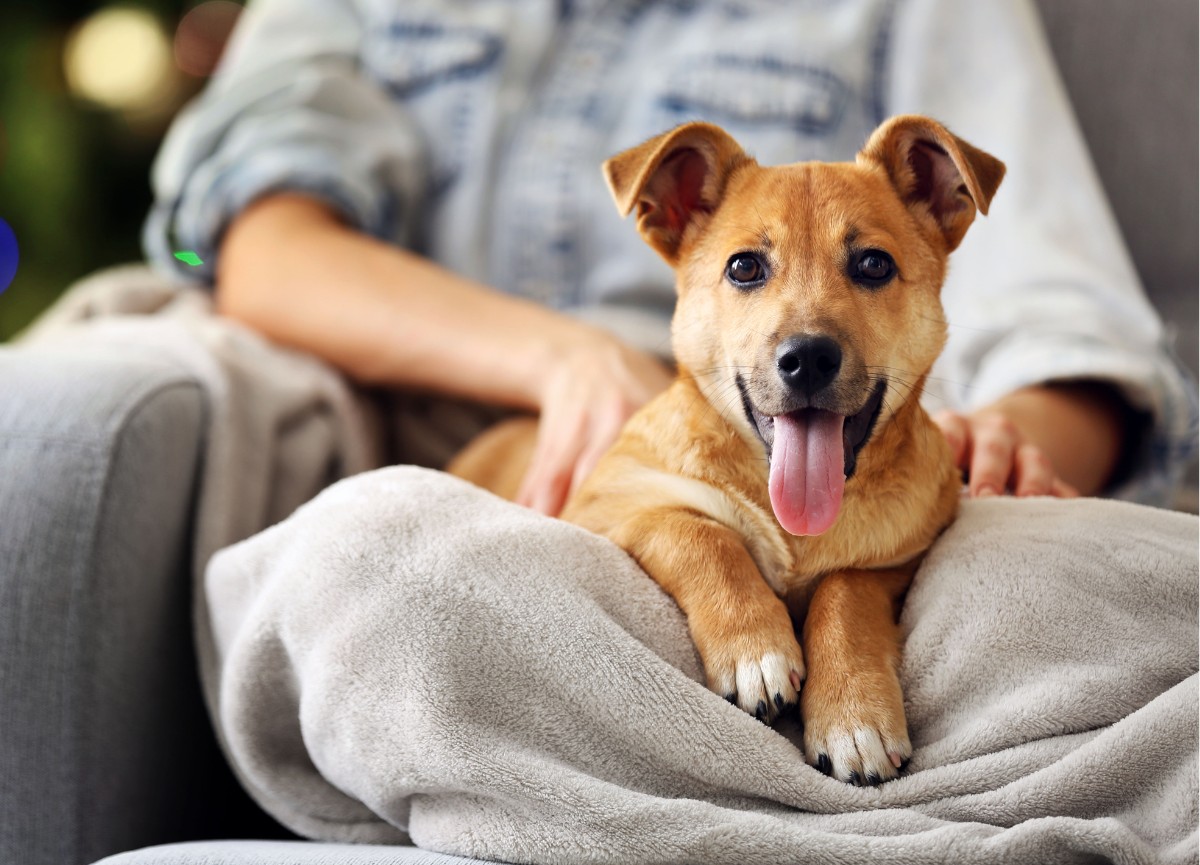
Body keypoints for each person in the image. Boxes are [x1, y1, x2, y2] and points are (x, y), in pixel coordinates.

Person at [143, 0, 1196, 517]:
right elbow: (265, 248)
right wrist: (569, 361)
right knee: (394, 570)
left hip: (808, 460)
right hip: (418, 444)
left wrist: (999, 457)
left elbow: (1068, 318)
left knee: (1040, 594)